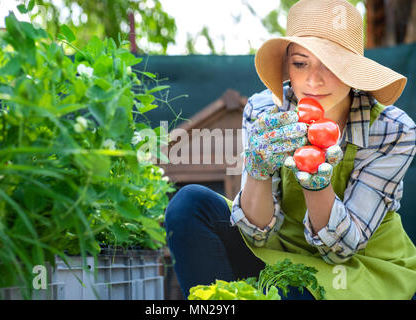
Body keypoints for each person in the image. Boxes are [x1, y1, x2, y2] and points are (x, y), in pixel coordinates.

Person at [164, 0, 416, 300]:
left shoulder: (393, 129)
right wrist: (258, 169)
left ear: (352, 70)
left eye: (331, 64)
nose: (313, 80)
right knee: (190, 205)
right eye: (300, 63)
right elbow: (255, 232)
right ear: (287, 66)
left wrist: (315, 182)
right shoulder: (263, 110)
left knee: (294, 292)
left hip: (358, 268)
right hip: (278, 255)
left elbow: (342, 251)